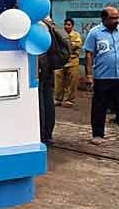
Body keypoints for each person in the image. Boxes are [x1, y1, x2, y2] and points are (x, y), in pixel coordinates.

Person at [83, 6, 119, 146]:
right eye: (113, 18)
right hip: (102, 77)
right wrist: (89, 75)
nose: (116, 21)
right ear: (104, 19)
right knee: (100, 107)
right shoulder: (95, 33)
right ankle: (98, 134)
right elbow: (89, 53)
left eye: (117, 18)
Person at [38, 17, 71, 145]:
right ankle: (48, 134)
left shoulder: (36, 24)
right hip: (47, 66)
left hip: (39, 66)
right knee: (48, 100)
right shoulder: (48, 22)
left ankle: (42, 134)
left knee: (40, 101)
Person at [55, 18, 83, 107]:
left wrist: (66, 44)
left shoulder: (76, 35)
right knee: (58, 81)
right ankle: (58, 99)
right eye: (65, 24)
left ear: (72, 26)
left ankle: (70, 100)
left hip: (73, 61)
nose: (67, 26)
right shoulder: (60, 34)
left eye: (69, 24)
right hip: (61, 61)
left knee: (72, 82)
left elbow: (76, 45)